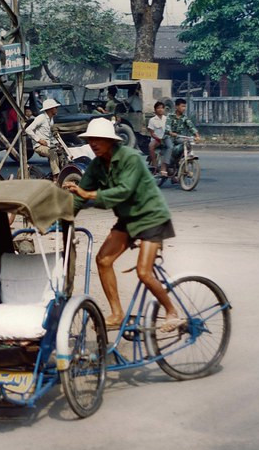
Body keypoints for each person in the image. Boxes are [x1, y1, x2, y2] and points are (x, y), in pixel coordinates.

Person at [63, 118, 183, 332]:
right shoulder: (97, 166)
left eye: (98, 139)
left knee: (144, 273)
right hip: (128, 220)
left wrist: (88, 194)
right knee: (103, 260)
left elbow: (123, 191)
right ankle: (117, 313)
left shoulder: (131, 158)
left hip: (151, 216)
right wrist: (60, 218)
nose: (94, 144)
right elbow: (79, 198)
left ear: (110, 141)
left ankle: (172, 311)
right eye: (91, 140)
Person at [25, 97, 62, 177]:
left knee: (62, 153)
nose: (57, 109)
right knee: (53, 153)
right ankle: (56, 177)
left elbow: (50, 135)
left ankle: (58, 172)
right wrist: (39, 140)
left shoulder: (51, 119)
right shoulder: (41, 118)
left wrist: (57, 143)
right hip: (39, 146)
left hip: (49, 145)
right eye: (55, 107)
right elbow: (28, 130)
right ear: (50, 109)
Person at [164, 98, 200, 174]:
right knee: (171, 148)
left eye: (185, 106)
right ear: (176, 107)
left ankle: (181, 161)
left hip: (178, 137)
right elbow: (167, 126)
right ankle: (167, 164)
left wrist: (197, 135)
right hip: (169, 137)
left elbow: (191, 127)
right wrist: (170, 132)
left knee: (187, 143)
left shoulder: (184, 118)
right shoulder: (170, 116)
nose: (184, 108)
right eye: (182, 106)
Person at [146, 101, 168, 175]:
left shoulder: (167, 119)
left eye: (162, 108)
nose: (160, 109)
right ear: (155, 110)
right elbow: (152, 133)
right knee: (150, 146)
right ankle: (155, 166)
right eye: (158, 108)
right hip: (157, 140)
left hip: (166, 139)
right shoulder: (152, 120)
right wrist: (158, 139)